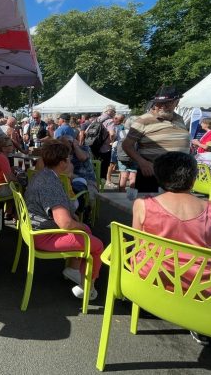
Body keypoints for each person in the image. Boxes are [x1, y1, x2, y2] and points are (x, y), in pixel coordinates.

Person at [132, 151, 211, 345]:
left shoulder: (142, 205)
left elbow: (138, 245)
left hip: (153, 277)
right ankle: (202, 321)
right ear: (193, 179)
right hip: (203, 287)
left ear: (159, 178)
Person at [24, 139, 104, 300]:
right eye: (68, 159)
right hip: (44, 235)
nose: (69, 161)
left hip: (35, 229)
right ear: (62, 163)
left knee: (85, 230)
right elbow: (65, 223)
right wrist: (80, 225)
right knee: (97, 245)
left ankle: (74, 270)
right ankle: (88, 288)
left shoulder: (42, 175)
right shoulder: (51, 182)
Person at [122, 85, 190, 192]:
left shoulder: (179, 118)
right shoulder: (143, 120)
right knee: (151, 203)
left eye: (168, 102)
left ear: (177, 102)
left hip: (179, 174)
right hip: (153, 175)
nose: (162, 106)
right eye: (158, 103)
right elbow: (126, 145)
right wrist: (142, 162)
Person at [94, 105, 117, 180]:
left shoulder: (96, 119)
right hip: (105, 148)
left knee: (96, 167)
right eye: (114, 111)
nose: (115, 113)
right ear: (110, 111)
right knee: (103, 169)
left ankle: (96, 182)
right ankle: (101, 184)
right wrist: (112, 141)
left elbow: (86, 131)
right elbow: (112, 133)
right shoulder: (110, 121)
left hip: (94, 146)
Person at [116, 116, 138, 191]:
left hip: (122, 156)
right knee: (133, 176)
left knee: (123, 176)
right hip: (134, 156)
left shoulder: (120, 132)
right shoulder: (138, 133)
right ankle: (132, 194)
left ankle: (121, 193)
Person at [105, 114, 125, 188]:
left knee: (117, 164)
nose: (119, 121)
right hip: (112, 147)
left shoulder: (121, 126)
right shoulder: (110, 125)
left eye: (121, 120)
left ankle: (120, 184)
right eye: (117, 119)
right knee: (111, 164)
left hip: (118, 146)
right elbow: (111, 135)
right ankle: (108, 180)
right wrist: (112, 141)